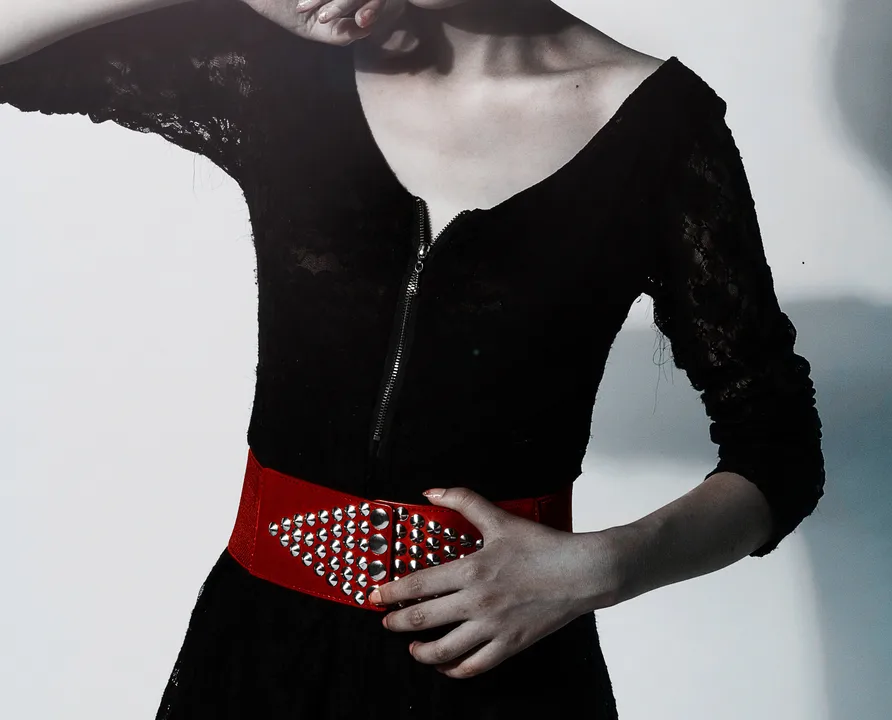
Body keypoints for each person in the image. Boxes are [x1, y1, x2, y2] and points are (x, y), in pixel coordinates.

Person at [0, 1, 826, 717]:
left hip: (499, 673)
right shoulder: (283, 67)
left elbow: (778, 449)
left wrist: (605, 566)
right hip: (258, 657)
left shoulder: (660, 130)